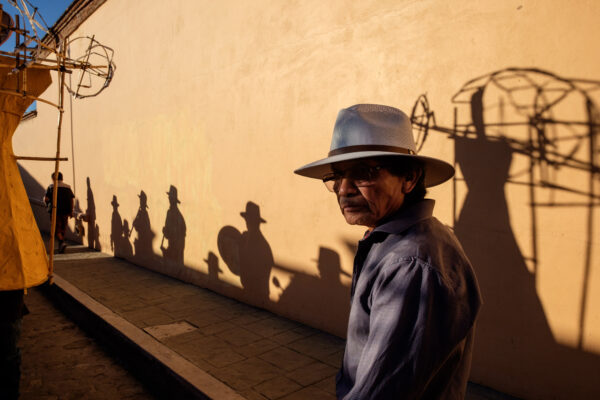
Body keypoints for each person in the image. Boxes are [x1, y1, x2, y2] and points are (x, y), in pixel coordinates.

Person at [294, 104, 482, 399]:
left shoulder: (409, 265)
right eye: (337, 176)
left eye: (362, 173)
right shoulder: (397, 241)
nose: (343, 189)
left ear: (408, 178)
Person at [44, 171, 75, 253]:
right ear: (62, 178)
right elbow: (71, 200)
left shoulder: (51, 187)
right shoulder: (68, 187)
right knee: (63, 228)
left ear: (53, 178)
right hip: (66, 211)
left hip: (55, 211)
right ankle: (61, 245)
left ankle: (61, 242)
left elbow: (46, 199)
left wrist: (47, 204)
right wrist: (71, 211)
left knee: (56, 228)